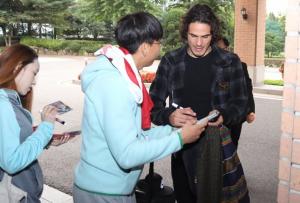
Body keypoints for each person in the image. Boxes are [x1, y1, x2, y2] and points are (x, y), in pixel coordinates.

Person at [73, 12, 207, 203]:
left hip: (112, 188)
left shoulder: (121, 74)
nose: (160, 48)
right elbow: (127, 154)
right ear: (145, 47)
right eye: (158, 42)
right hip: (104, 192)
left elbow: (136, 136)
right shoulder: (115, 84)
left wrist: (174, 129)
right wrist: (179, 139)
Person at [149, 4, 249, 203]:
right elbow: (152, 106)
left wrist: (224, 115)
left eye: (205, 36)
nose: (199, 43)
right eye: (194, 36)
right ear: (185, 33)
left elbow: (241, 105)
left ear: (214, 34)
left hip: (217, 148)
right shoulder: (171, 61)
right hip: (181, 147)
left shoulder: (230, 62)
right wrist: (169, 115)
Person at [0, 44, 58, 203]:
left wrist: (43, 137)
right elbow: (11, 161)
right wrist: (45, 128)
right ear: (19, 67)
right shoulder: (3, 104)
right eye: (34, 73)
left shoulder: (7, 100)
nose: (35, 81)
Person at [217, 36, 255, 146]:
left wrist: (251, 110)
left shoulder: (240, 65)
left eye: (223, 49)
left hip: (236, 116)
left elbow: (248, 88)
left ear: (227, 49)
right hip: (216, 115)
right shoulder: (209, 67)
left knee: (232, 146)